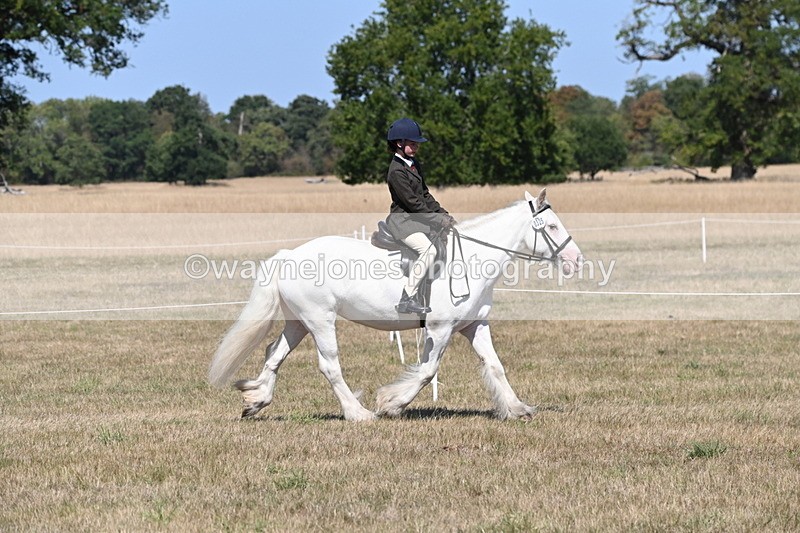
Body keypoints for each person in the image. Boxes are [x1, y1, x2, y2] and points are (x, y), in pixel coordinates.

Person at [384, 118, 456, 315]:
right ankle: (406, 298)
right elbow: (413, 204)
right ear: (399, 143)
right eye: (413, 143)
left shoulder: (413, 164)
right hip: (403, 221)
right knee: (428, 251)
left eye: (417, 144)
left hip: (416, 219)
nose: (416, 147)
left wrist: (442, 213)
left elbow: (424, 195)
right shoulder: (396, 171)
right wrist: (437, 219)